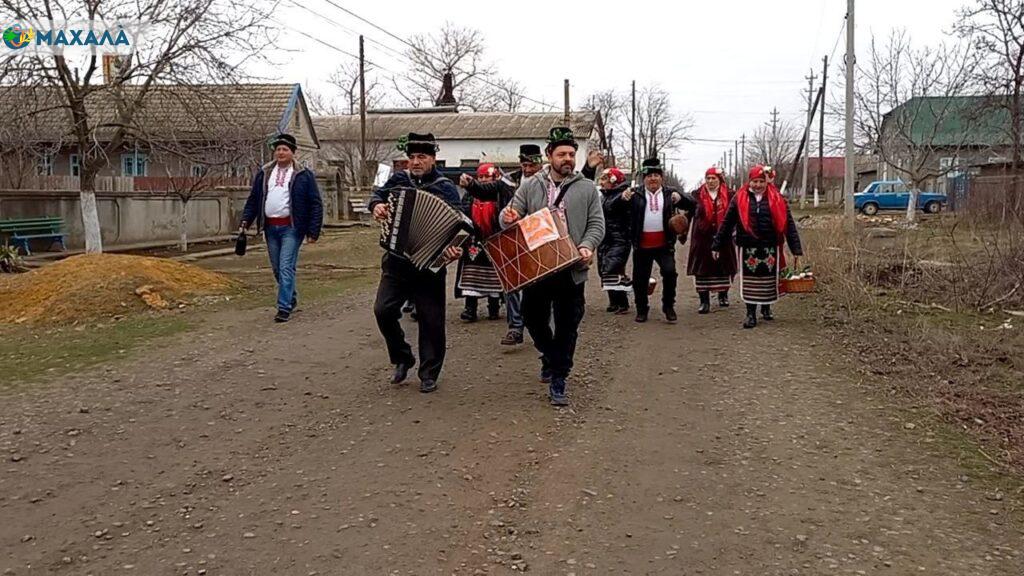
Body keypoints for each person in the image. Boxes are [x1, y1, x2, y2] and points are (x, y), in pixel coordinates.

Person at [500, 127, 605, 406]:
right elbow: (510, 215)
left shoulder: (586, 188)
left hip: (571, 269)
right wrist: (507, 216)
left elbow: (597, 224)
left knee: (568, 325)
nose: (568, 159)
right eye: (562, 154)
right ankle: (549, 354)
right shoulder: (530, 185)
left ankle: (559, 377)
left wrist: (587, 245)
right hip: (537, 268)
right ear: (550, 156)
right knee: (532, 317)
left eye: (571, 154)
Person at [368, 132, 463, 393]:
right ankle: (402, 357)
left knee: (431, 320)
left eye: (422, 157)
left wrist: (454, 249)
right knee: (383, 310)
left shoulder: (444, 187)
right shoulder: (398, 180)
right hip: (397, 261)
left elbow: (460, 224)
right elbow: (375, 197)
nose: (416, 162)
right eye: (412, 157)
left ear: (433, 159)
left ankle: (429, 372)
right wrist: (376, 205)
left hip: (429, 264)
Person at [458, 145, 543, 345]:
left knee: (540, 287)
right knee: (512, 283)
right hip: (511, 238)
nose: (528, 169)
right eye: (525, 165)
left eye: (532, 165)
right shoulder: (509, 180)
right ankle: (515, 327)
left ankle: (542, 328)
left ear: (541, 163)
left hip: (539, 238)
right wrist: (471, 185)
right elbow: (487, 190)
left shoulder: (548, 180)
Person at [240, 133, 323, 323]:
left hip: (292, 228)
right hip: (270, 228)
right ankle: (291, 297)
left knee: (286, 267)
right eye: (278, 149)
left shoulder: (303, 175)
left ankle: (283, 307)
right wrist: (246, 220)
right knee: (277, 268)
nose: (280, 152)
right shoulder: (265, 173)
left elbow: (315, 203)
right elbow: (254, 199)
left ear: (293, 152)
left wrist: (313, 231)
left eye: (285, 149)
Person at [712, 165, 803, 329]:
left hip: (770, 246)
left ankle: (766, 307)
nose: (758, 185)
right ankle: (751, 314)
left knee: (768, 280)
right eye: (755, 181)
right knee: (751, 282)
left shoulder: (777, 198)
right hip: (748, 246)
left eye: (761, 181)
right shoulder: (739, 198)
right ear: (750, 181)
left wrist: (796, 248)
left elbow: (788, 224)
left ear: (766, 182)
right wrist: (717, 245)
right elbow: (727, 223)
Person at [622, 158, 695, 324]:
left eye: (656, 175)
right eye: (649, 176)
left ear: (662, 177)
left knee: (670, 273)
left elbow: (692, 203)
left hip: (664, 244)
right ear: (644, 178)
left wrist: (681, 198)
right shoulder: (635, 194)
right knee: (640, 278)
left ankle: (668, 306)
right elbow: (613, 207)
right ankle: (642, 309)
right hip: (642, 244)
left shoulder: (670, 193)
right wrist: (622, 197)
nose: (652, 178)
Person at [456, 163, 503, 324]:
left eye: (487, 177)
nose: (483, 180)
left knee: (494, 276)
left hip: (494, 240)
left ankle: (494, 307)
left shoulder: (499, 193)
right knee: (471, 275)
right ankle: (470, 309)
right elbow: (462, 211)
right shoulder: (470, 195)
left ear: (494, 177)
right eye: (481, 177)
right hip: (474, 242)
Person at [686, 166, 736, 314]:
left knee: (724, 266)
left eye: (714, 178)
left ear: (720, 179)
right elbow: (688, 212)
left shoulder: (730, 194)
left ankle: (723, 295)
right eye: (708, 178)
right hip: (702, 238)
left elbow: (736, 214)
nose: (710, 181)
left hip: (724, 237)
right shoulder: (696, 195)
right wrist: (682, 228)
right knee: (702, 269)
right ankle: (704, 301)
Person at [597, 167, 633, 313]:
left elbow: (623, 201)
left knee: (613, 269)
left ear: (613, 180)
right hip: (605, 239)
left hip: (619, 239)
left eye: (605, 179)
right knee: (604, 270)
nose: (602, 182)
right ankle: (613, 301)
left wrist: (624, 197)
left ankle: (623, 302)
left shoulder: (622, 195)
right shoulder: (604, 196)